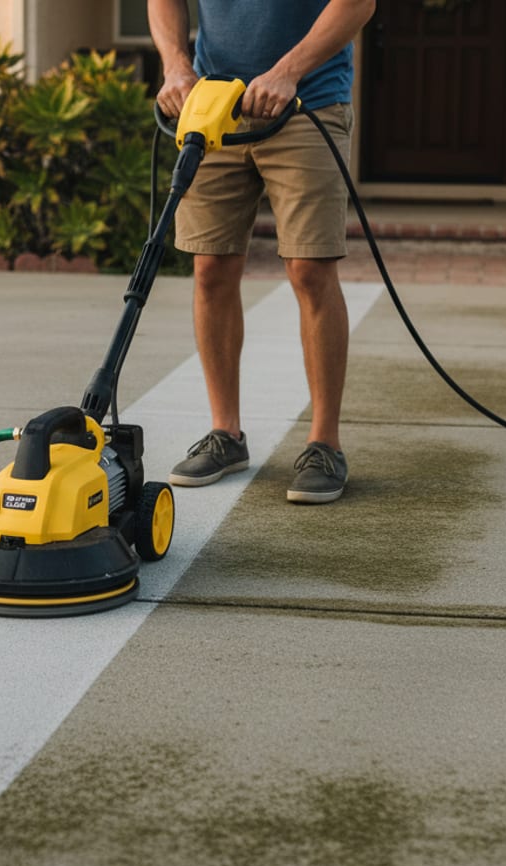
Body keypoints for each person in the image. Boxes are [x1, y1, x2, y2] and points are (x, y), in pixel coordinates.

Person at [148, 0, 376, 504]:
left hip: (307, 103)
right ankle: (225, 434)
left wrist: (286, 72)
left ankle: (324, 444)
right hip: (213, 107)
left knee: (310, 270)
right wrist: (176, 65)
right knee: (210, 268)